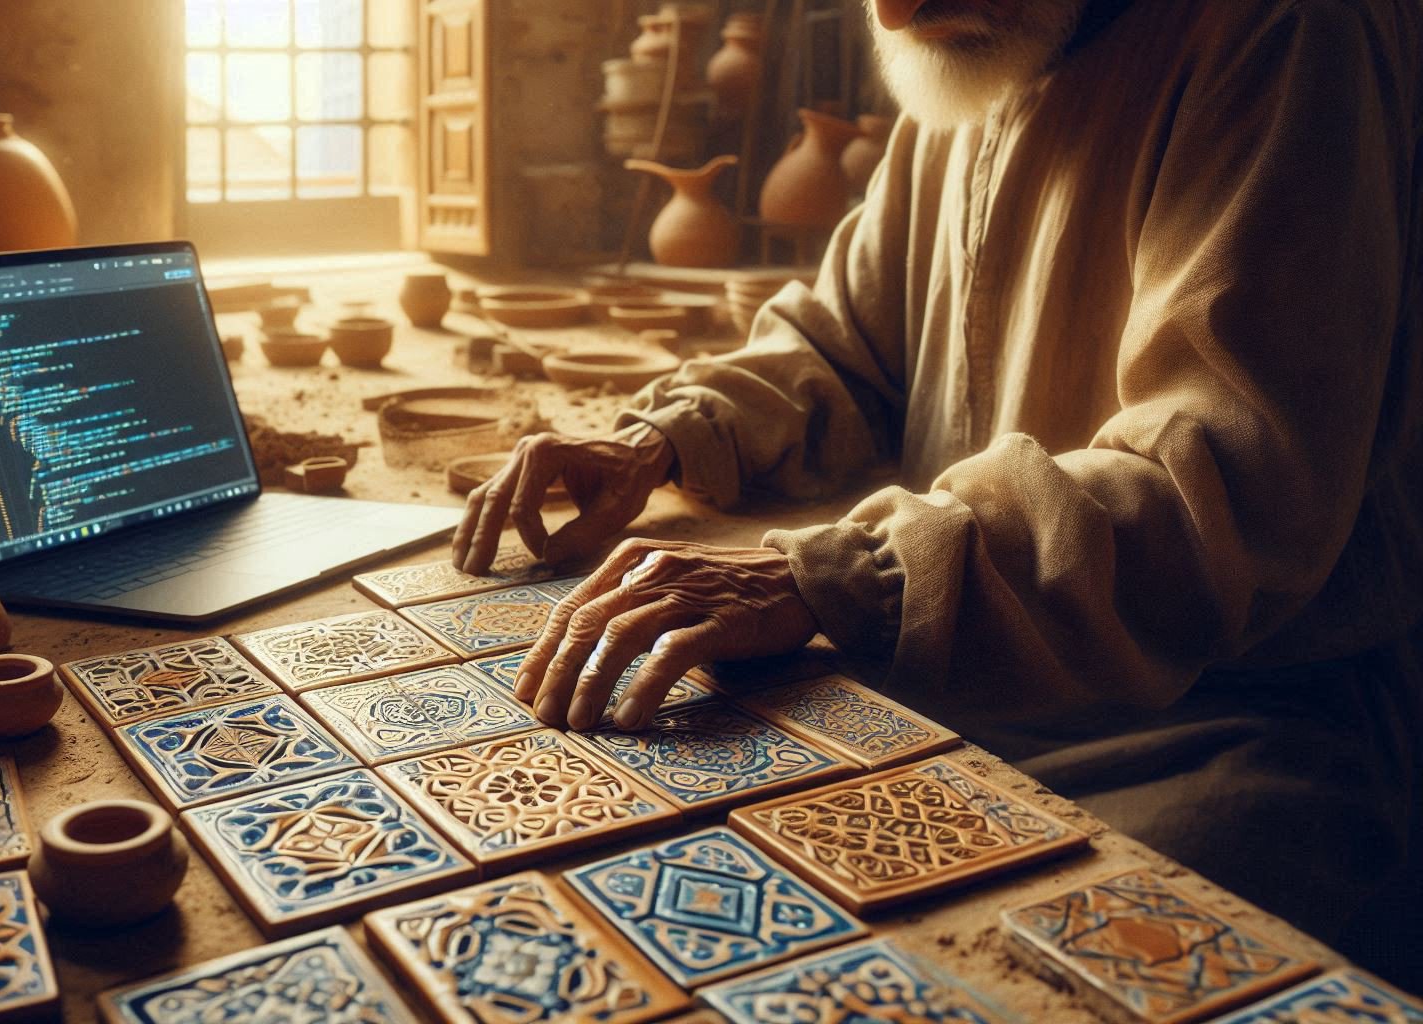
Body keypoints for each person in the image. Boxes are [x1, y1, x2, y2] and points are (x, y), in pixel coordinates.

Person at [454, 0, 1422, 980]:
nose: (891, 10)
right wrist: (666, 437)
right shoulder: (977, 36)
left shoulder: (1286, 30)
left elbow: (1216, 488)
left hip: (1230, 713)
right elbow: (849, 341)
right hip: (956, 654)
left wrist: (835, 575)